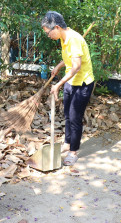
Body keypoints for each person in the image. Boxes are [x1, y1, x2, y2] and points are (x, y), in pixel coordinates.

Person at [41, 11, 94, 166]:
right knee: (67, 115)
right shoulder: (63, 38)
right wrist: (58, 66)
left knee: (75, 117)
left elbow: (76, 66)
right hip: (71, 82)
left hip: (82, 83)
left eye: (48, 32)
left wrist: (58, 84)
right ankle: (67, 143)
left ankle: (73, 152)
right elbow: (69, 58)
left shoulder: (74, 39)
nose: (48, 36)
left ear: (57, 27)